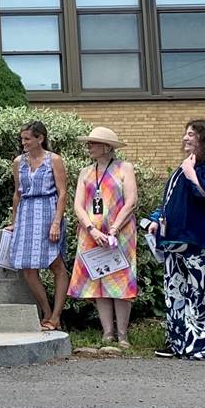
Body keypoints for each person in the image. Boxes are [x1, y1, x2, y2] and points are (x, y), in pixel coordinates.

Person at [147, 119, 205, 361]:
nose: (185, 138)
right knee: (175, 290)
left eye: (191, 135)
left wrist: (192, 175)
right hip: (175, 241)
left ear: (204, 139)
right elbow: (173, 199)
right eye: (185, 134)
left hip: (201, 241)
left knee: (202, 291)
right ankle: (179, 342)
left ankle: (204, 345)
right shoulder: (186, 165)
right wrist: (157, 218)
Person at [66, 125, 139, 349]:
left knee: (121, 279)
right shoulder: (85, 172)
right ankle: (107, 332)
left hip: (121, 234)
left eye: (93, 143)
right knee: (99, 280)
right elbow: (78, 205)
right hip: (92, 234)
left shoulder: (124, 168)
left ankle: (123, 334)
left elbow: (131, 201)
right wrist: (92, 229)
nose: (89, 147)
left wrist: (114, 228)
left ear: (107, 147)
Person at [3, 120, 70, 331]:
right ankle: (46, 311)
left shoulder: (54, 160)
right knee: (27, 267)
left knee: (56, 264)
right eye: (22, 139)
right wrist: (15, 222)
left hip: (48, 211)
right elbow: (17, 193)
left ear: (40, 138)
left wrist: (56, 222)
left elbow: (62, 193)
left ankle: (57, 315)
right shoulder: (18, 162)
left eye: (27, 139)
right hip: (26, 213)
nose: (23, 143)